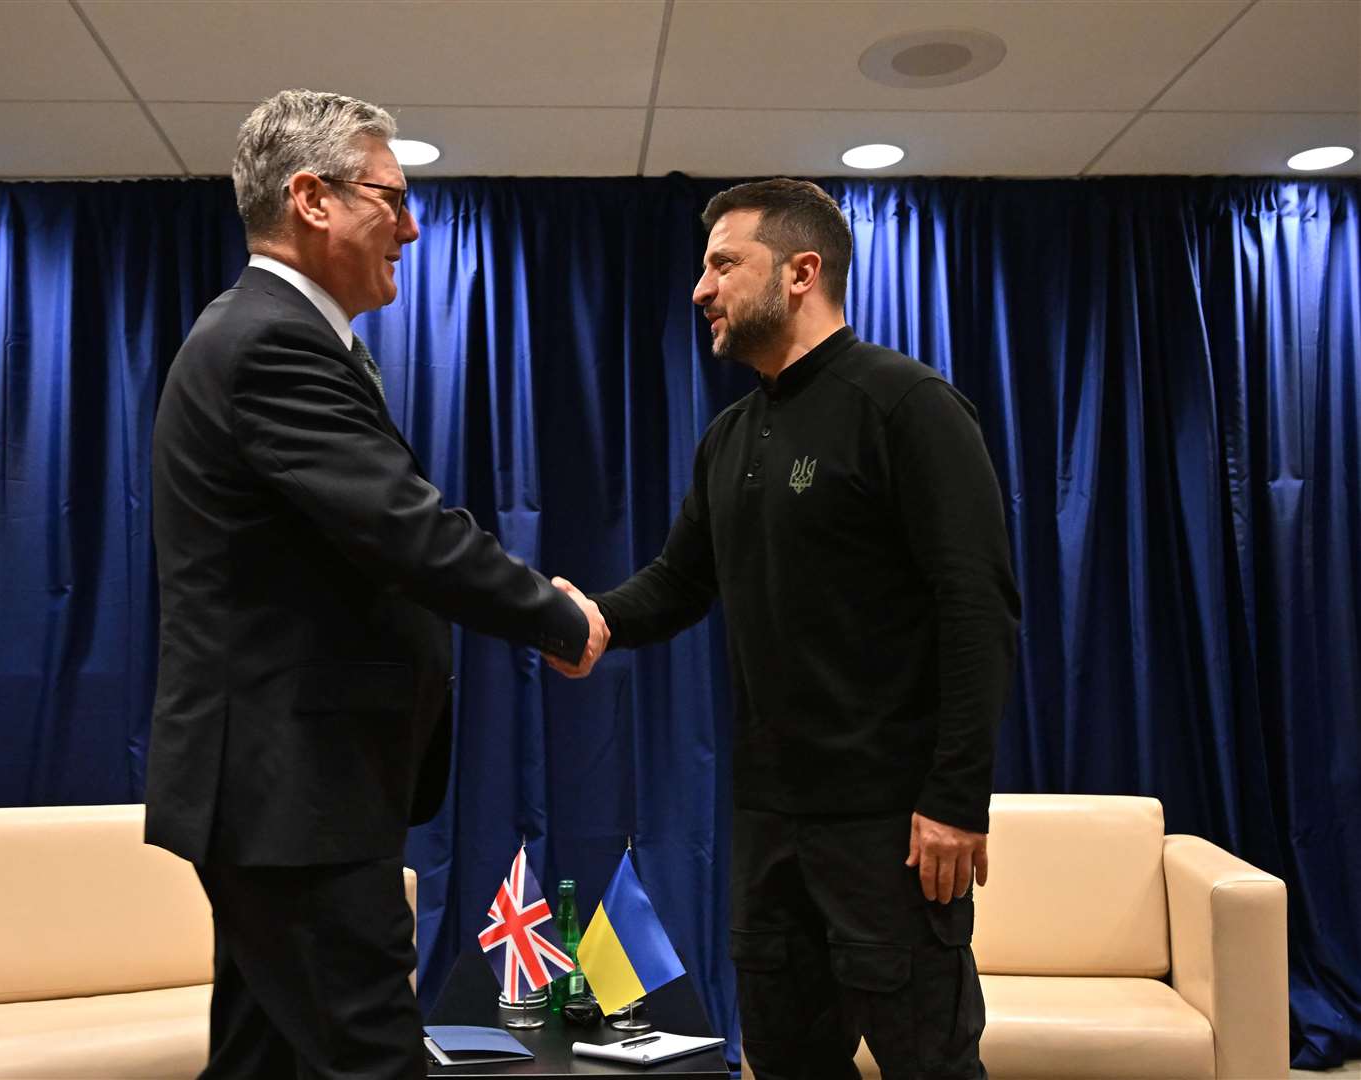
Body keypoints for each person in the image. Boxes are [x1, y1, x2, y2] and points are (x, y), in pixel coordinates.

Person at [145, 88, 607, 1079]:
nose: (410, 225)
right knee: (372, 1059)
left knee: (264, 1059)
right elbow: (406, 529)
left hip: (285, 790)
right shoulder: (270, 339)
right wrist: (555, 616)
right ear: (311, 198)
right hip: (289, 792)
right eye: (390, 197)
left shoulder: (274, 334)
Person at [552, 179, 1020, 1079]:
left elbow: (977, 605)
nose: (701, 289)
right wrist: (593, 620)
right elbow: (682, 581)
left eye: (724, 264)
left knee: (930, 1062)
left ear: (802, 272)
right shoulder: (731, 437)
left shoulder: (906, 405)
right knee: (784, 1058)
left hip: (892, 828)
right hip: (770, 824)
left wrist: (957, 797)